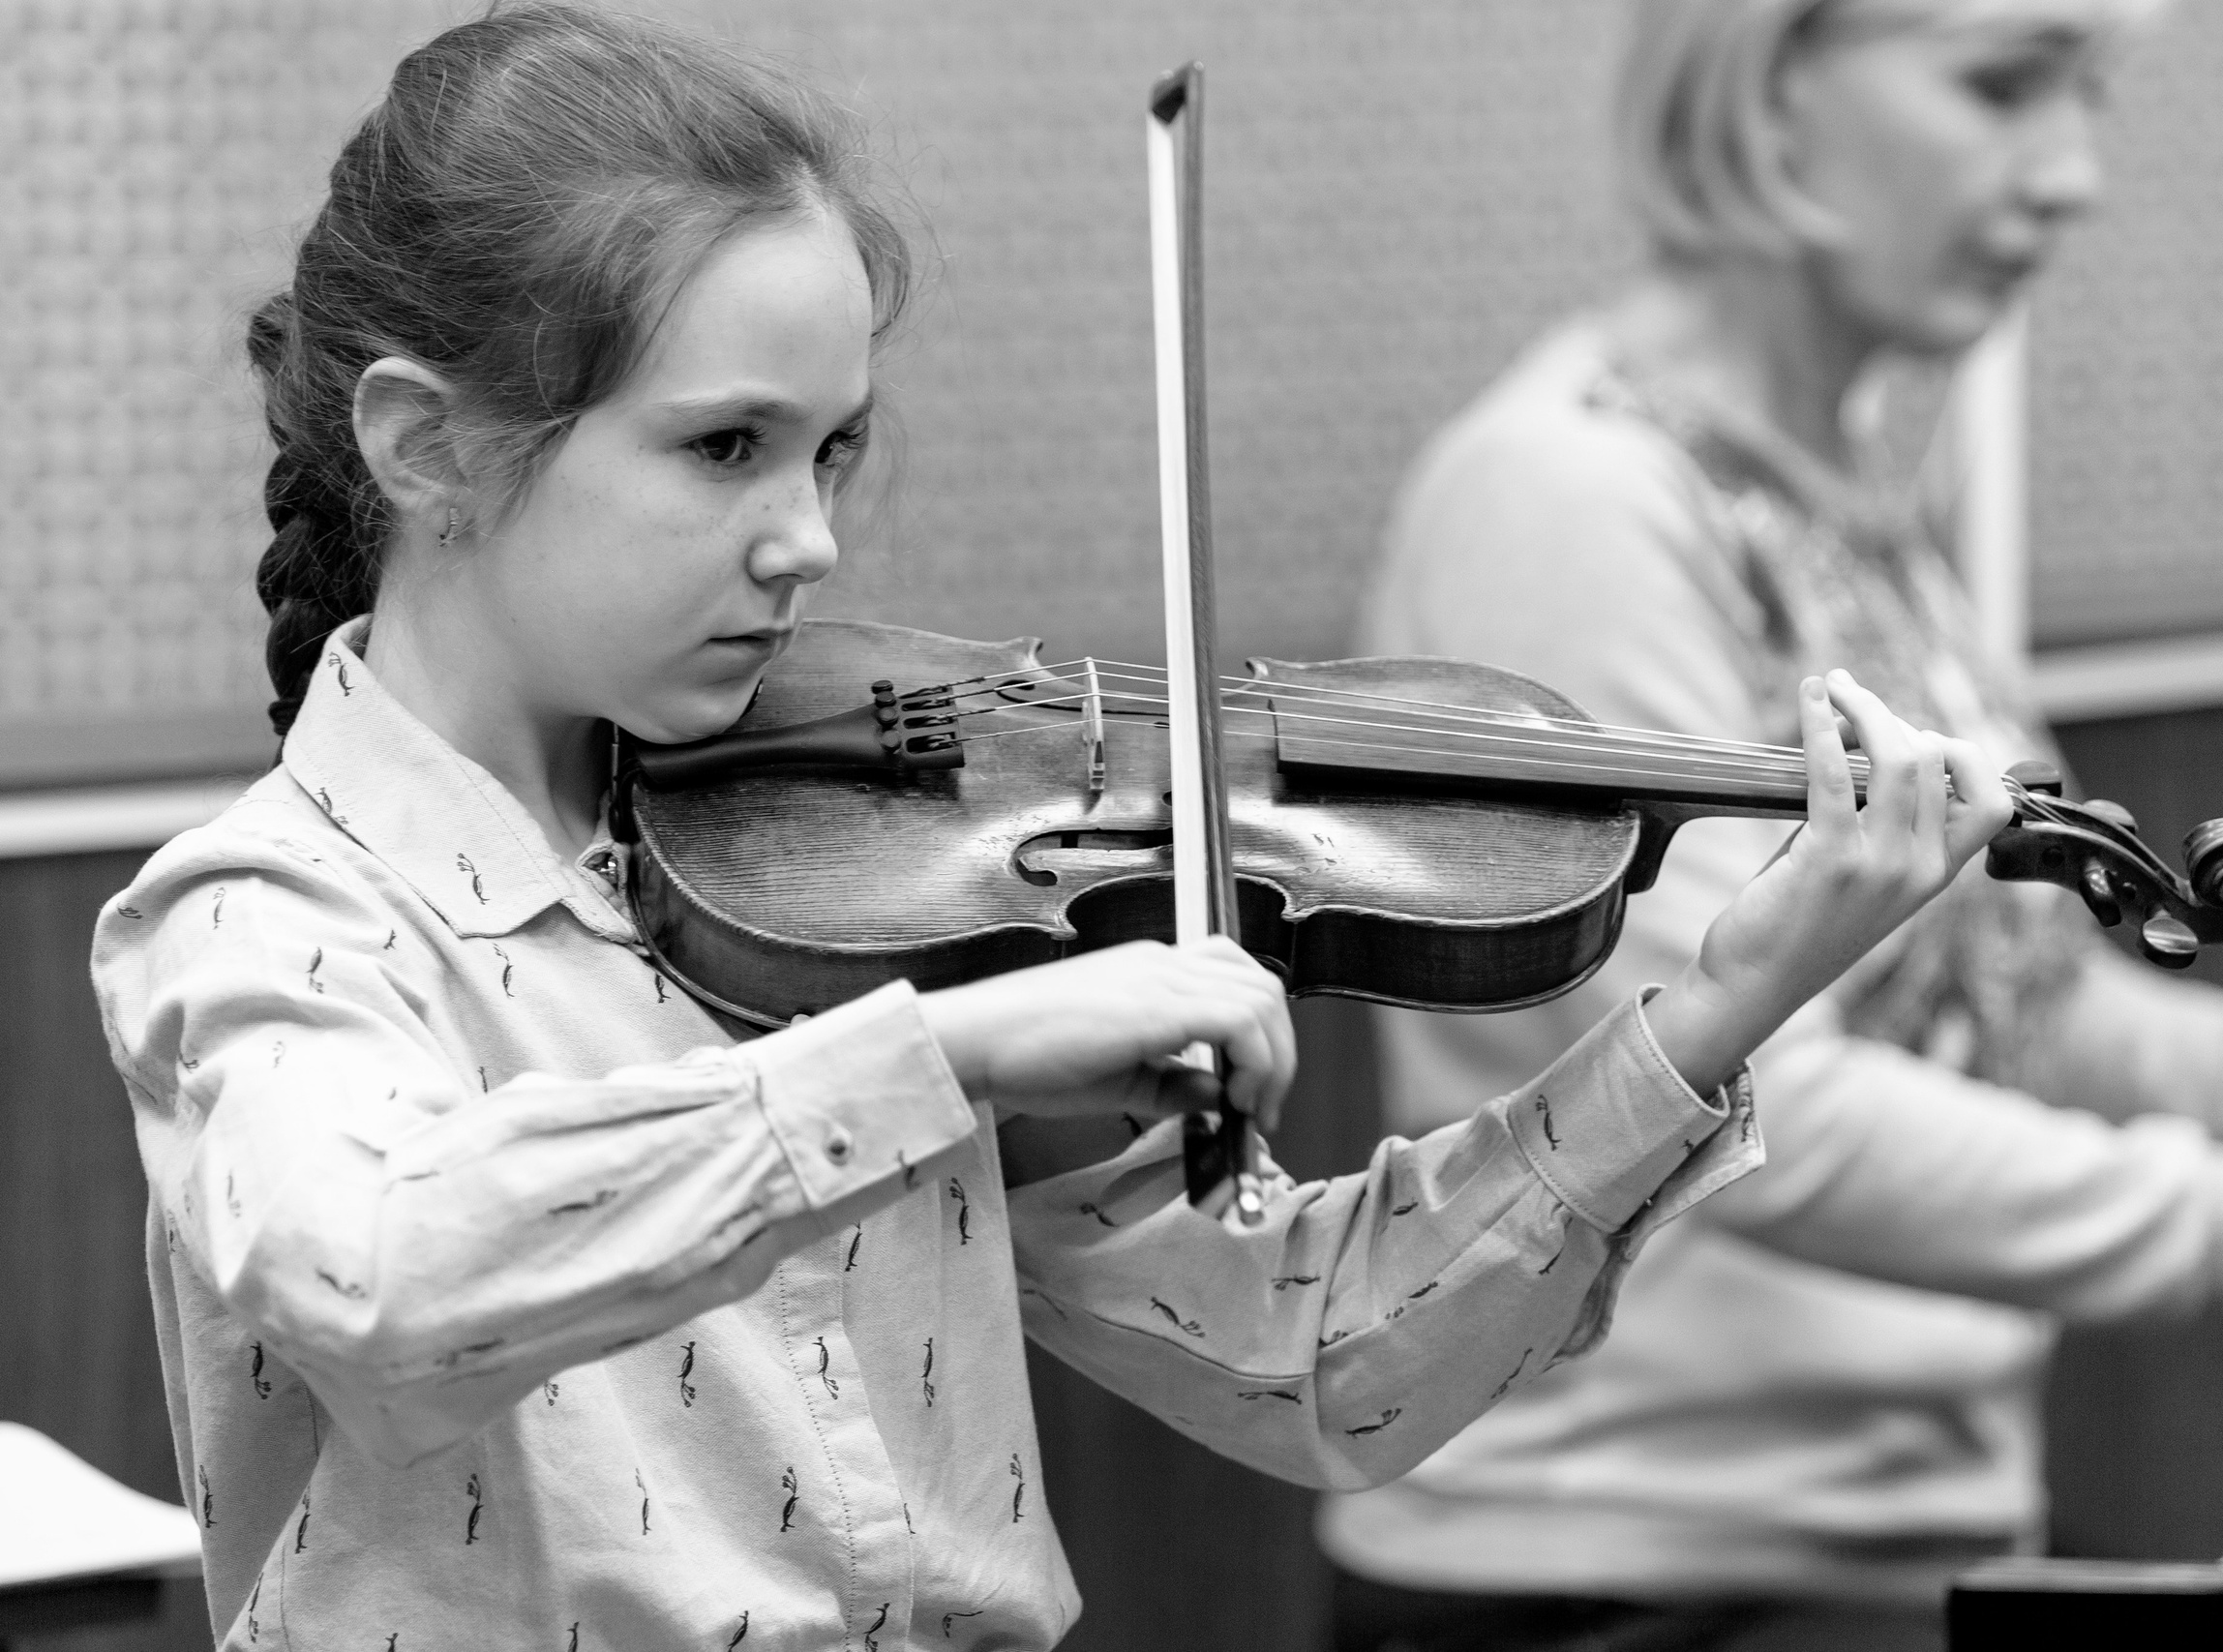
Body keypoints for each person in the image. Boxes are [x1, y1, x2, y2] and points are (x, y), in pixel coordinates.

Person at [86, 8, 2022, 1648]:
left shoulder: (836, 885)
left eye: (832, 448)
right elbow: (383, 1279)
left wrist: (1719, 1006)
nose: (809, 537)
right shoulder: (266, 917)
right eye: (724, 446)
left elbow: (1319, 1364)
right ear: (427, 444)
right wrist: (944, 1054)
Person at [1319, 2, 2223, 1650]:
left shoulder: (1848, 502)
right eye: (2003, 89)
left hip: (1889, 1536)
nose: (2072, 174)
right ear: (1773, 88)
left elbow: (2022, 1013)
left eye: (2088, 98)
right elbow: (1752, 1102)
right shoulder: (1564, 500)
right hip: (1629, 1572)